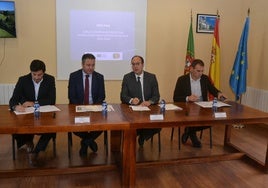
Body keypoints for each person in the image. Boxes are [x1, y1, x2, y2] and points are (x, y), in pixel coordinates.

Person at [9, 59, 56, 165]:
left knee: (51, 128)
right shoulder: (23, 80)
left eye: (39, 75)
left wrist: (33, 103)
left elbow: (51, 100)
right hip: (26, 116)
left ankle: (37, 150)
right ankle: (28, 141)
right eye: (34, 74)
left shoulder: (50, 79)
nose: (36, 77)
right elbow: (13, 100)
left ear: (43, 73)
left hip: (44, 115)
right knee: (16, 125)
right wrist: (16, 107)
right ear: (31, 72)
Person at [173, 59, 226, 148]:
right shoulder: (182, 80)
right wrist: (187, 98)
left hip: (203, 107)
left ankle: (188, 130)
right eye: (198, 71)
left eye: (202, 71)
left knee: (212, 121)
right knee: (191, 119)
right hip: (188, 107)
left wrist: (219, 94)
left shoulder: (205, 78)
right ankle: (194, 137)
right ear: (191, 69)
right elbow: (175, 98)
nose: (200, 73)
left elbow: (213, 90)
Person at [68, 53, 105, 156]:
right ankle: (89, 140)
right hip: (78, 108)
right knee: (74, 126)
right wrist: (81, 108)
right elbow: (71, 96)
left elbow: (101, 96)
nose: (91, 68)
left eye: (93, 65)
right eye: (88, 65)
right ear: (82, 64)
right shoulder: (74, 76)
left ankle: (85, 142)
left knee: (102, 125)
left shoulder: (99, 77)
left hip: (94, 109)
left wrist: (93, 108)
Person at [120, 55, 161, 147]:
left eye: (138, 64)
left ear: (142, 65)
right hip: (133, 111)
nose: (135, 66)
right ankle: (138, 135)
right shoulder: (127, 77)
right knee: (130, 125)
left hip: (149, 109)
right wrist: (131, 100)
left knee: (159, 123)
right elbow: (123, 96)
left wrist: (149, 102)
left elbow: (156, 96)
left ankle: (143, 136)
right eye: (133, 64)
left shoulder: (151, 77)